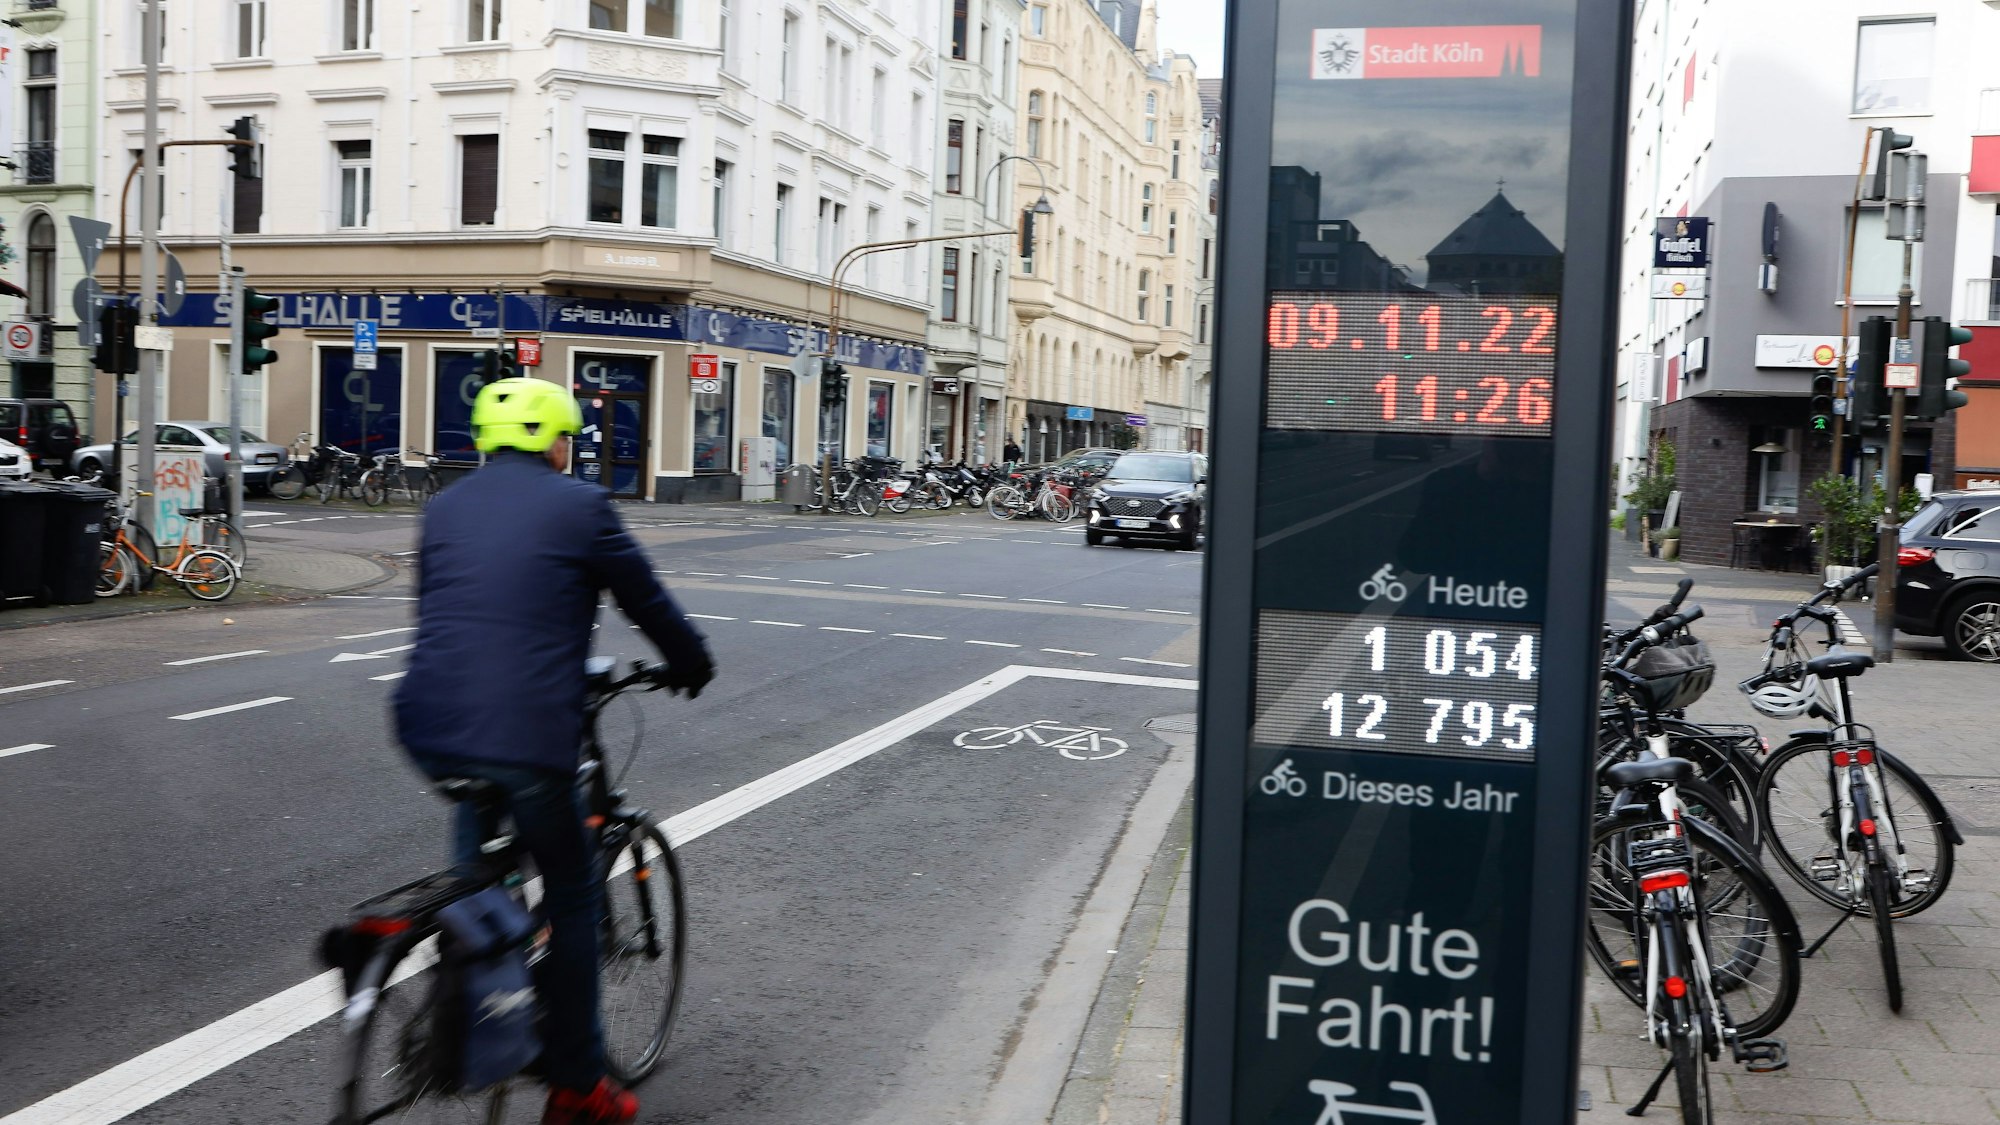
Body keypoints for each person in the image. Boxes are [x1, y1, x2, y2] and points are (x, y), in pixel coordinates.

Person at [393, 377, 715, 1125]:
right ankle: (576, 1084)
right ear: (555, 440)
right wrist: (691, 662)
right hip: (525, 732)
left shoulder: (444, 505)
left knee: (481, 888)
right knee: (570, 895)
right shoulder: (579, 504)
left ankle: (482, 999)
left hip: (429, 726)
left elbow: (456, 618)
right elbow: (648, 601)